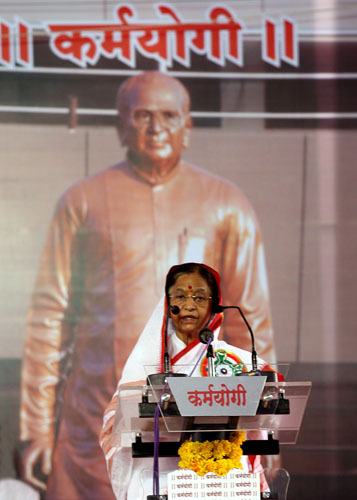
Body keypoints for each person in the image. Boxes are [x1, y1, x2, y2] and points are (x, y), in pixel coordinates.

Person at [19, 71, 275, 499]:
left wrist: (262, 428)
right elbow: (49, 319)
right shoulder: (82, 201)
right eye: (142, 115)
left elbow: (252, 321)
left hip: (200, 427)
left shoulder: (228, 205)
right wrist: (36, 430)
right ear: (121, 125)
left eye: (169, 116)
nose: (156, 127)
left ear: (188, 128)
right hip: (95, 421)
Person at [100, 262, 274, 499]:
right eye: (180, 296)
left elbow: (267, 412)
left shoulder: (235, 361)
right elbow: (115, 421)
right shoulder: (146, 360)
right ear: (167, 302)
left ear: (213, 305)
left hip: (225, 478)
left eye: (200, 298)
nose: (189, 305)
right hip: (161, 476)